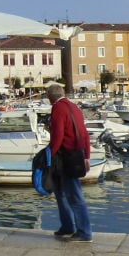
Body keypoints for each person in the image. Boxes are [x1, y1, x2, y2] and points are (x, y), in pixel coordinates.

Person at [46, 82, 93, 243]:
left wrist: (49, 155)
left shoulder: (58, 108)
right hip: (78, 154)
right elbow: (84, 134)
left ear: (51, 96)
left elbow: (58, 135)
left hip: (66, 156)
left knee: (74, 195)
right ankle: (67, 226)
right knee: (60, 192)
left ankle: (84, 231)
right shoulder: (75, 108)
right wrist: (86, 156)